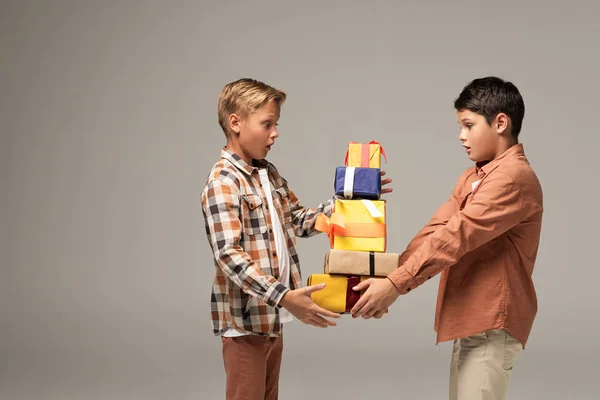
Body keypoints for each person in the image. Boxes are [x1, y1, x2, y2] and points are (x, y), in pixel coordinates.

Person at [351, 76, 543, 400]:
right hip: (470, 322)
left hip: (492, 324)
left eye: (468, 125)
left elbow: (458, 235)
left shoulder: (512, 178)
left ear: (500, 122)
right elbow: (436, 229)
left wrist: (396, 284)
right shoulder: (473, 176)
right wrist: (388, 274)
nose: (460, 136)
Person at [202, 78, 391, 400]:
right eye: (267, 124)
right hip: (246, 321)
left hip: (271, 318)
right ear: (235, 122)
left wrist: (351, 197)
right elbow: (228, 256)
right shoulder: (223, 182)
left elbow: (299, 221)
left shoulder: (268, 173)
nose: (275, 133)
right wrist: (284, 296)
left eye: (276, 124)